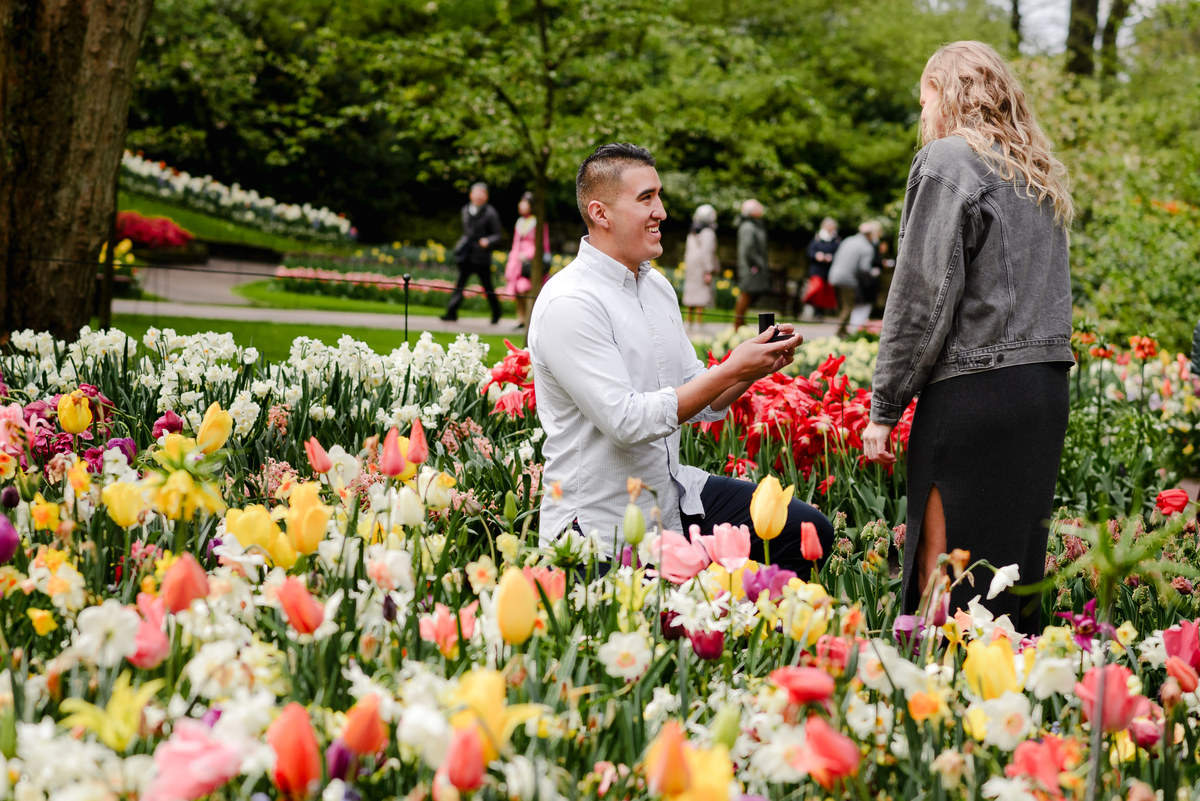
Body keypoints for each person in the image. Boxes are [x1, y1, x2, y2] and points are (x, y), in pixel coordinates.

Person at [529, 143, 834, 570]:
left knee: (806, 531)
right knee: (655, 624)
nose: (662, 212)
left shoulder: (657, 288)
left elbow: (704, 401)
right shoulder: (570, 302)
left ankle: (750, 626)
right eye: (646, 198)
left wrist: (752, 368)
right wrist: (730, 368)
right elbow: (627, 422)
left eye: (659, 195)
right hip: (600, 524)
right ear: (601, 213)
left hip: (672, 496)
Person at [862, 41, 1076, 634]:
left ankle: (937, 714)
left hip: (974, 394)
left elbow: (920, 298)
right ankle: (1009, 712)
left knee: (946, 584)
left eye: (923, 99)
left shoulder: (948, 160)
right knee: (1013, 581)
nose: (923, 115)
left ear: (945, 94)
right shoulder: (1033, 171)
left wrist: (884, 406)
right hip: (1042, 394)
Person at [441, 182, 504, 323]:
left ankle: (496, 313)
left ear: (486, 196)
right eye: (477, 193)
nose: (479, 196)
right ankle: (451, 312)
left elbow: (498, 235)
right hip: (466, 255)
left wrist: (488, 241)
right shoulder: (466, 210)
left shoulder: (490, 213)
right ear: (471, 195)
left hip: (481, 257)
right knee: (460, 285)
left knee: (487, 287)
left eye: (482, 193)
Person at [503, 192, 550, 329]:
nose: (521, 205)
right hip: (517, 261)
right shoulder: (520, 222)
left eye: (525, 202)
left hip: (530, 262)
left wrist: (530, 254)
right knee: (518, 291)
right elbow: (515, 242)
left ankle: (530, 319)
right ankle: (522, 318)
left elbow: (543, 243)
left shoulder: (538, 222)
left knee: (527, 290)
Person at [828, 220, 882, 338]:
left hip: (834, 276)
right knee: (848, 306)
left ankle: (843, 331)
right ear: (869, 234)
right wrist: (874, 273)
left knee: (842, 306)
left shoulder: (848, 240)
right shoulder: (866, 247)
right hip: (848, 279)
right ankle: (837, 333)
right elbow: (864, 268)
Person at [733, 199, 770, 330]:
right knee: (746, 294)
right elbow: (749, 249)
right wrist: (759, 264)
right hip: (750, 268)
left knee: (748, 295)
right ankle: (738, 324)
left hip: (753, 267)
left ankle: (741, 323)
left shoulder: (753, 225)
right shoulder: (748, 227)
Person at [681, 204, 719, 328]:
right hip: (701, 266)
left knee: (691, 291)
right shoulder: (708, 232)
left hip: (691, 265)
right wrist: (708, 270)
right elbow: (706, 252)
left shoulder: (692, 230)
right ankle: (698, 322)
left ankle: (689, 320)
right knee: (701, 292)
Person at [800, 217, 840, 320]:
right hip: (817, 270)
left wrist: (830, 257)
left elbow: (839, 254)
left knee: (825, 293)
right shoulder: (817, 238)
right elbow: (810, 252)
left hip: (828, 270)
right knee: (817, 290)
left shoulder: (836, 240)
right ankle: (811, 310)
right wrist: (817, 255)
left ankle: (820, 313)